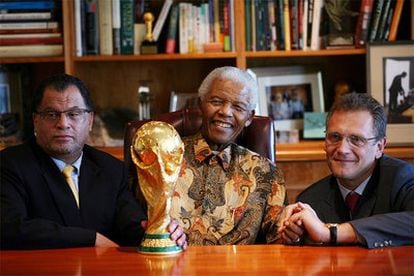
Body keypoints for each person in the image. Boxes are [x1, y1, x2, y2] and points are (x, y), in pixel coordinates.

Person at [0, 74, 187, 250]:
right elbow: (9, 228)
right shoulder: (10, 165)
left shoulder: (111, 169)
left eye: (73, 114)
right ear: (35, 120)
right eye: (51, 114)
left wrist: (159, 231)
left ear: (89, 121)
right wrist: (91, 239)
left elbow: (130, 224)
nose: (63, 123)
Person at [168, 66, 287, 245]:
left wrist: (293, 227)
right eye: (216, 102)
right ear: (200, 104)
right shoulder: (165, 157)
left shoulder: (266, 172)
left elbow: (279, 237)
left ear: (249, 118)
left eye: (238, 107)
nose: (225, 112)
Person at [279, 92, 414, 248]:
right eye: (335, 137)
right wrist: (295, 235)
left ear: (379, 147)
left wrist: (331, 232)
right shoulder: (311, 199)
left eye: (356, 139)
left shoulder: (402, 179)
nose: (342, 149)